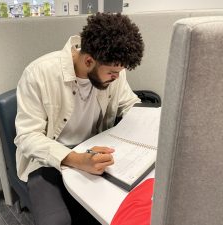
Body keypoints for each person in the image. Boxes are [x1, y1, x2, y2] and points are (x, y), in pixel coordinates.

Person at [14, 12, 144, 225]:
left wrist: (150, 119)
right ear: (89, 60)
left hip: (94, 152)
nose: (117, 77)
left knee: (116, 214)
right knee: (56, 222)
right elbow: (27, 137)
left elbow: (129, 103)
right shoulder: (39, 74)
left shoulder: (113, 72)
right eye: (112, 72)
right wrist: (77, 160)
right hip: (47, 162)